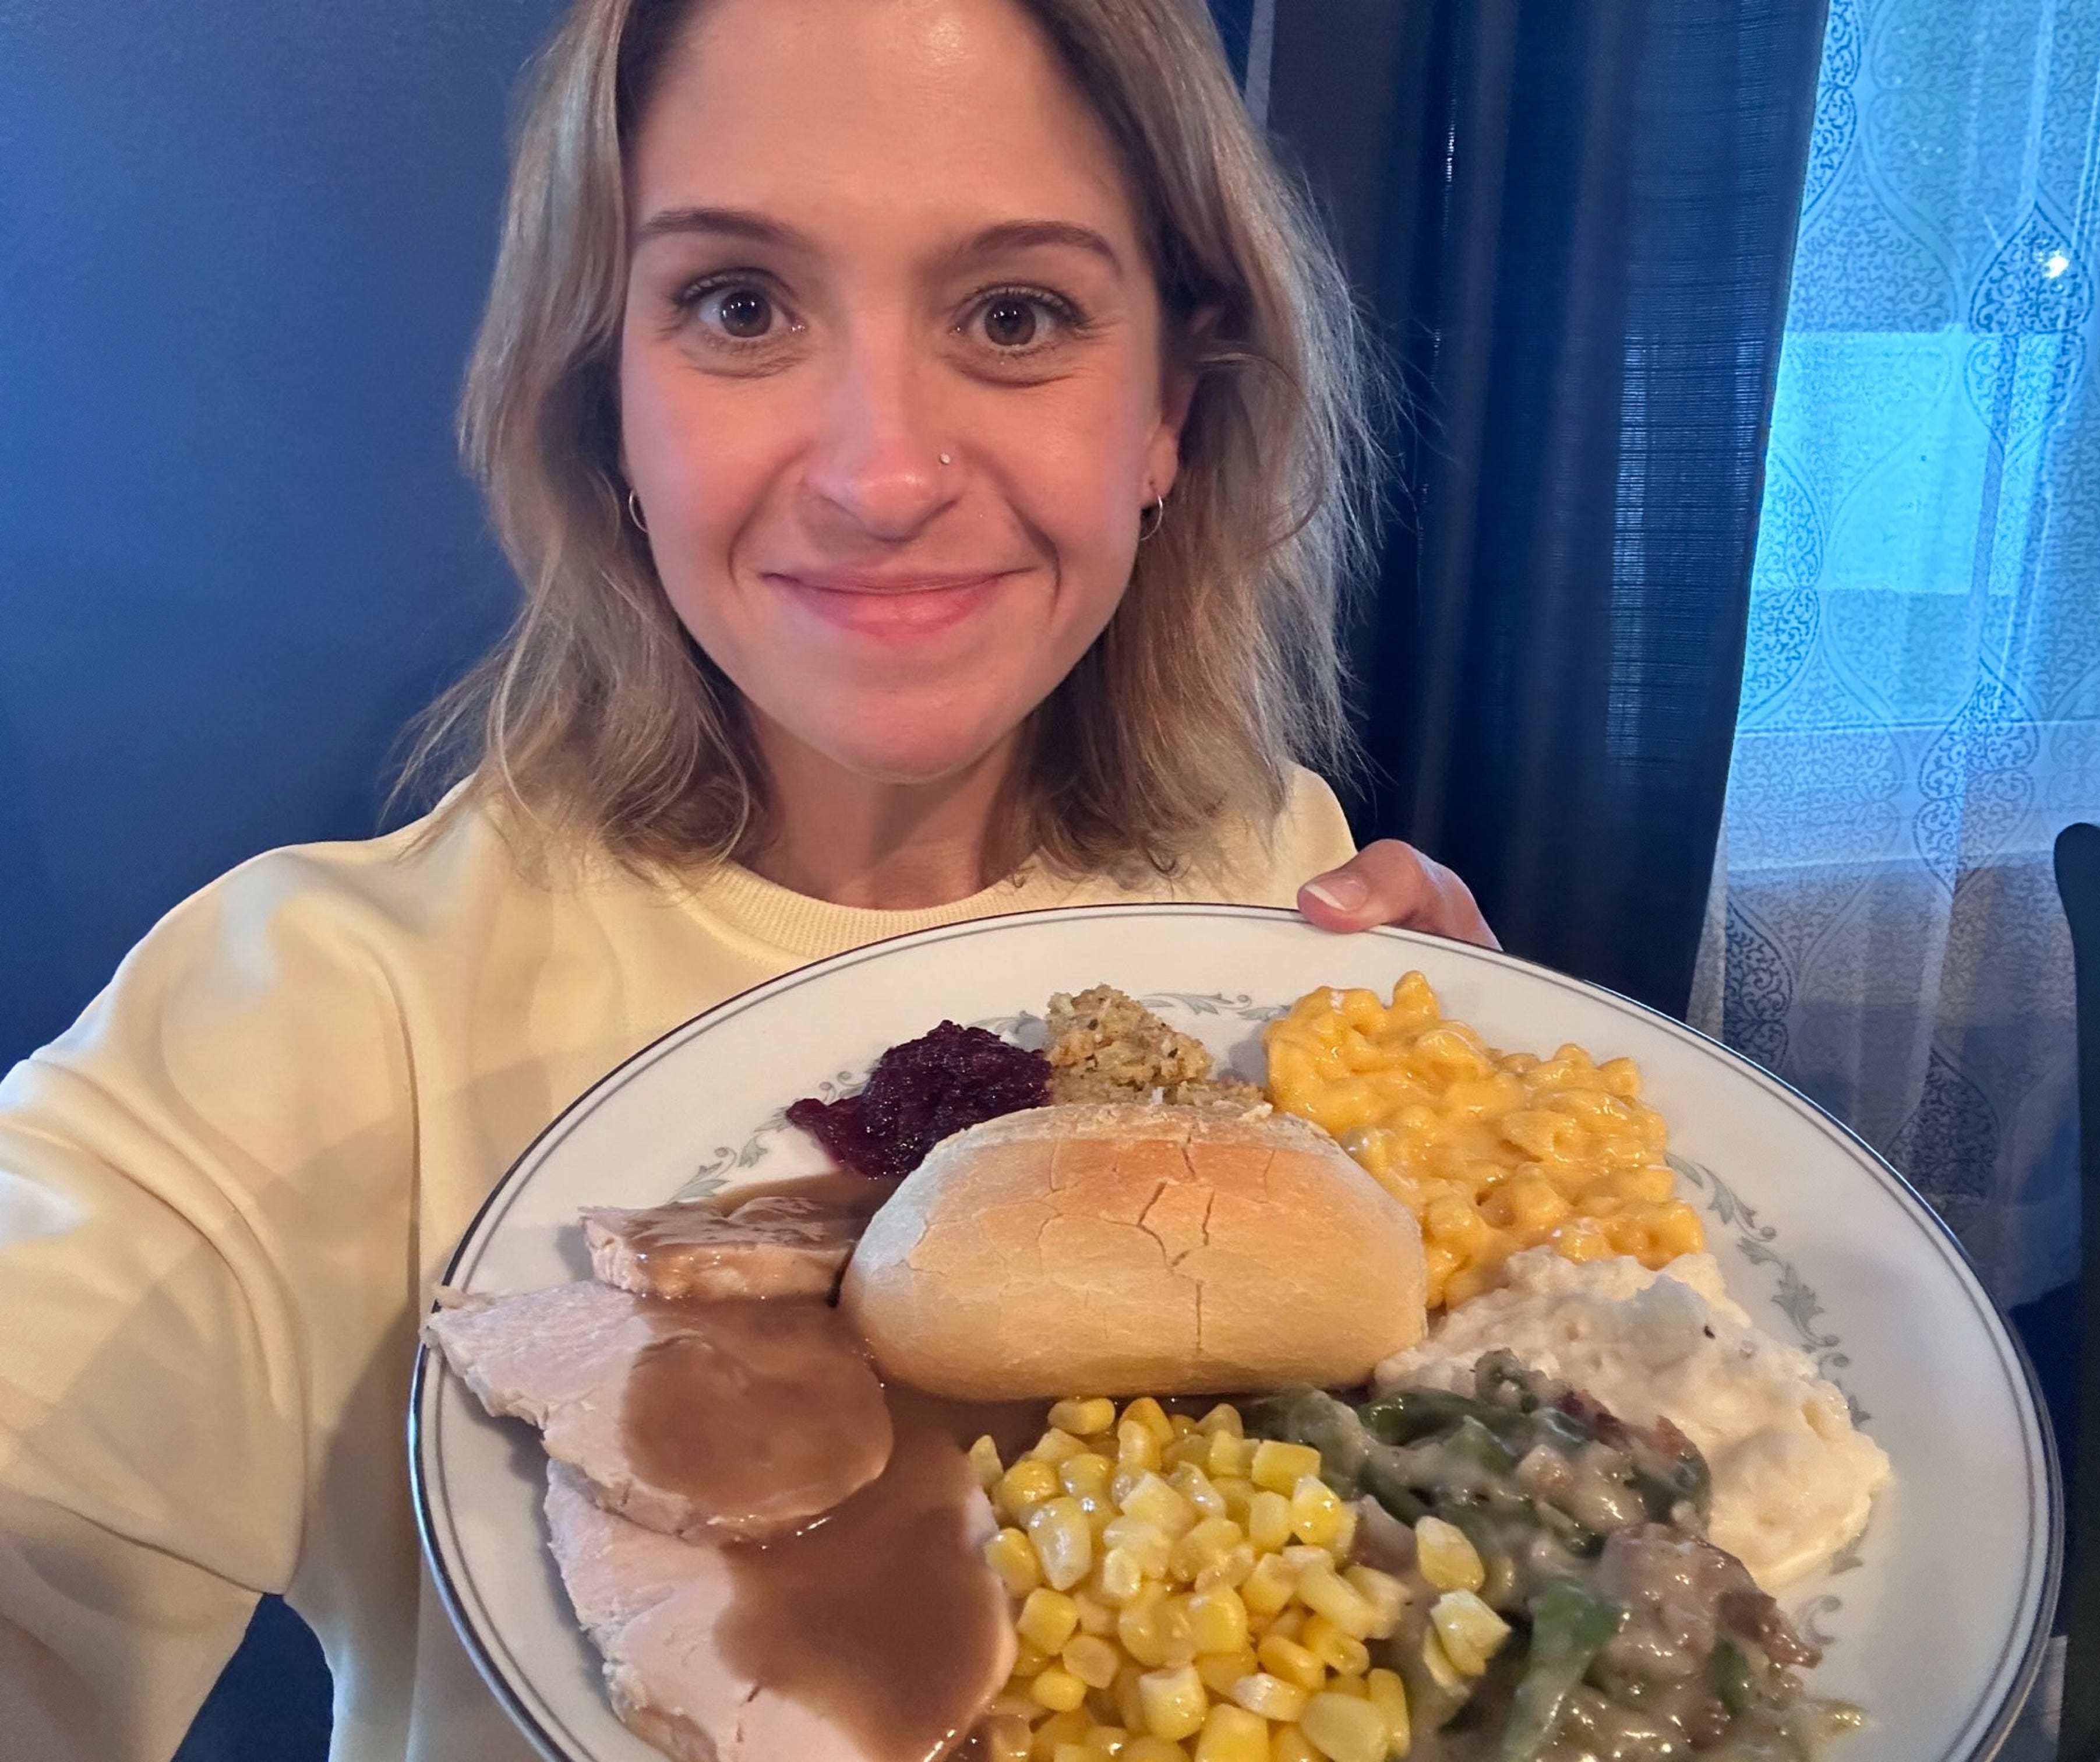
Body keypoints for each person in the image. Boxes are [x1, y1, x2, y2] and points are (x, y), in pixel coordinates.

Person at [0, 1, 1492, 1756]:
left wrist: (1489, 1180)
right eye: (738, 308)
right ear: (606, 406)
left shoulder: (1274, 871)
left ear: (1165, 410)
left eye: (1016, 315)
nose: (882, 476)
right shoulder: (310, 1016)